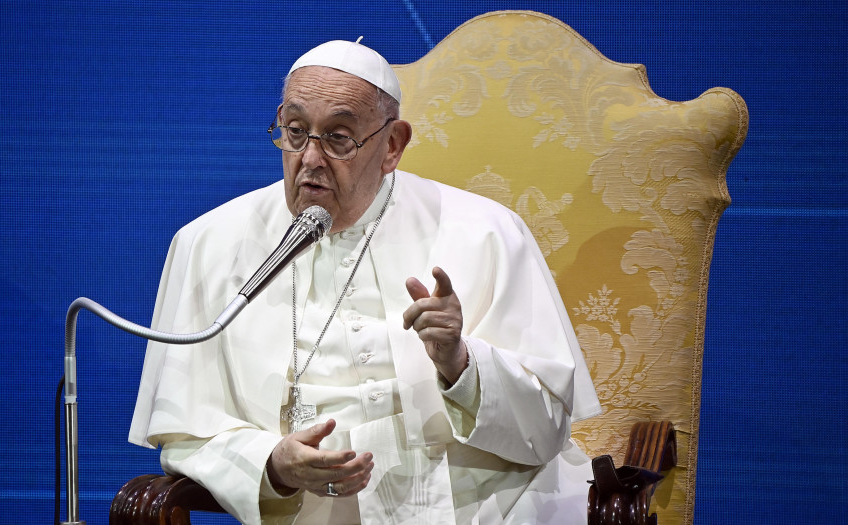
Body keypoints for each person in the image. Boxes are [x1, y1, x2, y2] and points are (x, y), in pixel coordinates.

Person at [129, 39, 602, 524]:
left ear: (392, 145)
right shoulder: (209, 243)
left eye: (338, 138)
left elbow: (547, 428)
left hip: (489, 507)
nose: (310, 159)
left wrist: (459, 362)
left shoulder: (486, 231)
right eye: (294, 132)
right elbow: (186, 432)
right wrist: (271, 464)